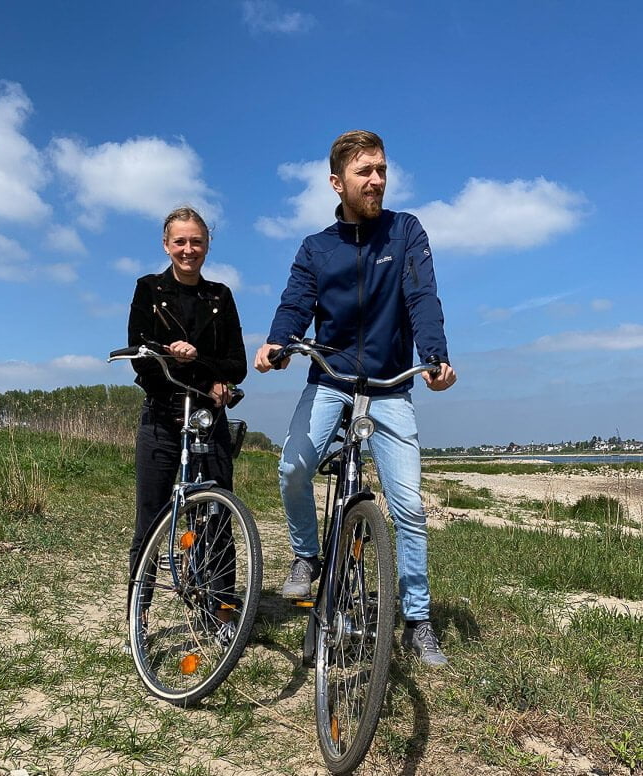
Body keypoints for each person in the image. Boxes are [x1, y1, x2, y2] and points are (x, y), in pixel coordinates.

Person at [254, 130, 457, 667]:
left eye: (382, 170)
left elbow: (422, 296)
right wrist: (278, 343)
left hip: (391, 385)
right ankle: (307, 556)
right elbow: (296, 303)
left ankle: (417, 620)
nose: (376, 181)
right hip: (331, 377)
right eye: (365, 171)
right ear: (337, 181)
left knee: (409, 506)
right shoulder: (316, 247)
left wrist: (435, 355)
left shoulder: (406, 231)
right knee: (294, 467)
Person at [127, 207, 247, 626]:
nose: (188, 250)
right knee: (151, 520)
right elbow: (141, 360)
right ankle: (137, 616)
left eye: (196, 241)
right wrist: (191, 367)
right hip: (161, 418)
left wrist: (203, 369)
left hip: (208, 421)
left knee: (217, 517)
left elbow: (237, 366)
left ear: (207, 246)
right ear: (166, 245)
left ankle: (222, 611)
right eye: (180, 241)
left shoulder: (221, 296)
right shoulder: (148, 289)